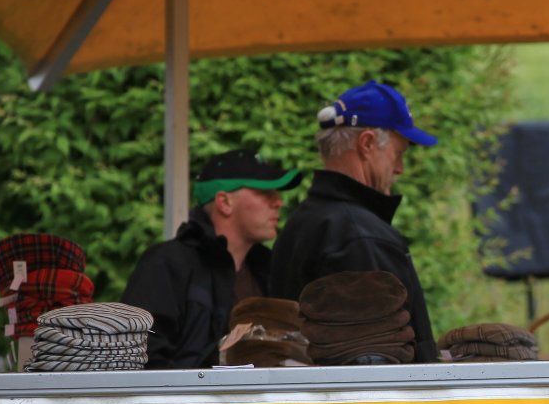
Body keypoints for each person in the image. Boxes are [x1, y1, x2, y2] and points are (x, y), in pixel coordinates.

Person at [269, 81, 440, 363]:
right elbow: (377, 362)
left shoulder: (302, 221)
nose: (400, 168)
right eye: (398, 154)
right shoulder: (360, 237)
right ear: (367, 143)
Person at [122, 150, 301, 368]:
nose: (279, 202)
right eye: (264, 193)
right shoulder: (166, 264)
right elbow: (140, 356)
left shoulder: (269, 269)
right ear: (224, 202)